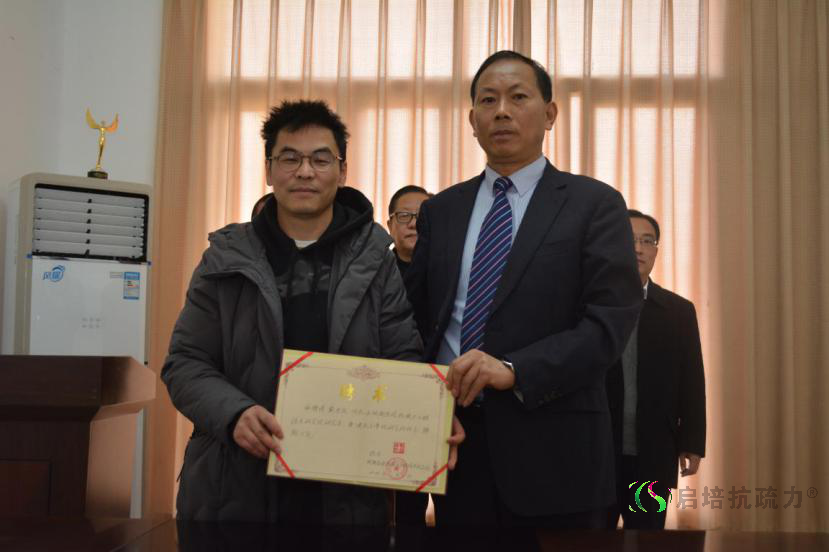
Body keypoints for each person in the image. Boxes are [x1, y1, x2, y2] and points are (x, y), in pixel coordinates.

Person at [162, 99, 454, 524]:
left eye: (320, 159)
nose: (304, 171)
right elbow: (185, 362)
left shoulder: (375, 259)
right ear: (268, 169)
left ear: (342, 170)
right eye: (289, 158)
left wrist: (429, 417)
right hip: (236, 485)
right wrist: (233, 413)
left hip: (346, 492)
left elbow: (402, 358)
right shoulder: (225, 258)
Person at [403, 50, 642, 528]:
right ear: (472, 120)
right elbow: (416, 321)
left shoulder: (594, 204)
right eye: (488, 100)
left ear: (550, 114)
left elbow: (608, 325)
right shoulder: (442, 211)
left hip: (555, 452)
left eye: (518, 97)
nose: (502, 112)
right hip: (455, 443)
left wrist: (515, 369)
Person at [605, 209, 706, 529]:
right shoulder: (588, 306)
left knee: (649, 539)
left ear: (656, 251)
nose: (638, 248)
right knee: (591, 540)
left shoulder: (678, 311)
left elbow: (692, 379)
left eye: (647, 241)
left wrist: (692, 441)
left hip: (653, 455)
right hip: (596, 457)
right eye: (629, 239)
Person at [386, 185, 431, 276]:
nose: (413, 224)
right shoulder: (376, 270)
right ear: (390, 226)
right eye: (404, 215)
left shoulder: (450, 270)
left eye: (421, 216)